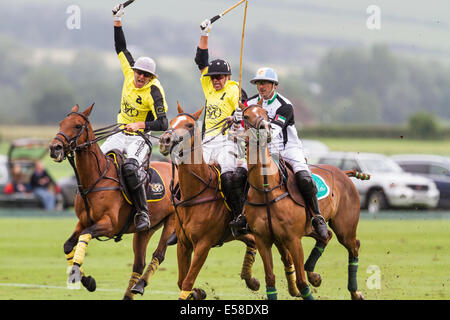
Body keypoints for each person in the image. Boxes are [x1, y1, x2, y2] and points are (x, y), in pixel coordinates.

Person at [100, 3, 169, 232]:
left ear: (151, 77)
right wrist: (117, 20)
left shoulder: (154, 91)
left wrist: (142, 124)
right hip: (120, 131)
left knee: (130, 168)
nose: (140, 77)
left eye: (146, 75)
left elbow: (163, 123)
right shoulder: (129, 71)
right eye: (139, 73)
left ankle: (142, 212)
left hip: (140, 137)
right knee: (96, 160)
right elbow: (120, 47)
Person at [239, 67, 328, 240]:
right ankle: (242, 215)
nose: (261, 86)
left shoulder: (285, 105)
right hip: (261, 151)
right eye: (258, 83)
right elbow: (239, 128)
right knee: (240, 174)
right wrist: (236, 119)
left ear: (274, 85)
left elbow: (271, 131)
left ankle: (317, 217)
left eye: (264, 83)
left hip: (287, 149)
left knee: (304, 177)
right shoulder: (248, 104)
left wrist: (252, 125)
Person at [195, 18, 248, 235]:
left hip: (228, 141)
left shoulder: (235, 90)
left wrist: (238, 116)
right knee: (190, 174)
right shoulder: (209, 88)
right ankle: (179, 213)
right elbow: (200, 60)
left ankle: (238, 217)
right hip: (208, 142)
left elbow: (247, 113)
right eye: (213, 77)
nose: (215, 80)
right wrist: (205, 33)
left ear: (228, 77)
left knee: (227, 177)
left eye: (220, 77)